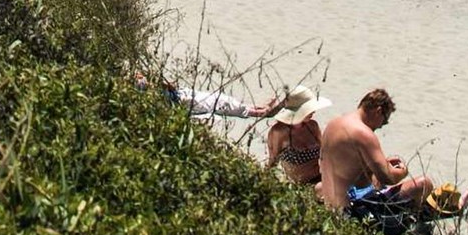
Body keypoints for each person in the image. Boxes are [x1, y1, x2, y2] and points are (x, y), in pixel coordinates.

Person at [318, 89, 435, 214]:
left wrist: (383, 164)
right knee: (424, 184)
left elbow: (347, 167)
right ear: (378, 111)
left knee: (376, 180)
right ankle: (413, 219)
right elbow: (388, 178)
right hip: (352, 209)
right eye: (383, 122)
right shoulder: (363, 133)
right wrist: (402, 171)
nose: (379, 127)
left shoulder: (334, 123)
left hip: (332, 202)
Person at [266, 85, 332, 186]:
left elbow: (325, 154)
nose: (313, 111)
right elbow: (272, 161)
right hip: (303, 186)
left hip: (324, 177)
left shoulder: (312, 126)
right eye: (309, 109)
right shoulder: (279, 132)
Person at [136, 73, 280, 119]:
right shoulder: (159, 95)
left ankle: (264, 108)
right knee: (230, 105)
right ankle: (268, 112)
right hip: (193, 101)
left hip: (191, 98)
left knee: (233, 104)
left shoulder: (154, 96)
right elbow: (171, 85)